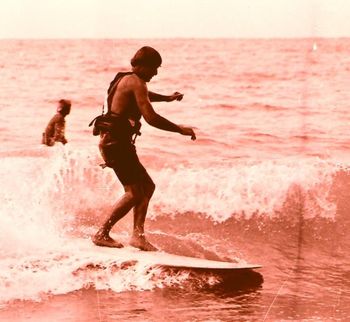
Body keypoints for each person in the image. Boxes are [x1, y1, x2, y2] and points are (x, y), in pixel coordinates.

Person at [92, 46, 196, 251]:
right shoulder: (137, 82)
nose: (156, 73)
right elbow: (151, 118)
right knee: (133, 192)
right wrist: (179, 129)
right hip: (116, 144)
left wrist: (167, 98)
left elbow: (143, 94)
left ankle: (137, 236)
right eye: (154, 68)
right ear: (142, 65)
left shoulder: (126, 79)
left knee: (147, 187)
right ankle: (101, 233)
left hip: (115, 143)